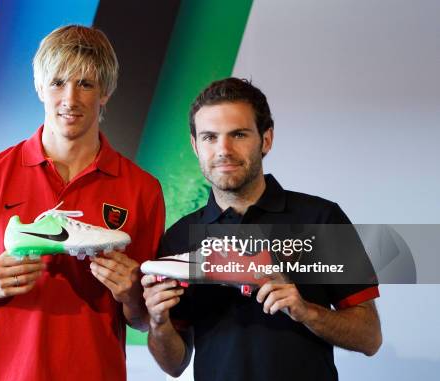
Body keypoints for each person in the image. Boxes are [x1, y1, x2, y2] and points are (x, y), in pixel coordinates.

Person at [0, 25, 165, 381]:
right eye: (58, 82)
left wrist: (132, 294)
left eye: (85, 84)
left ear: (105, 92)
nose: (70, 99)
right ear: (40, 87)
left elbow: (144, 320)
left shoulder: (142, 189)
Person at [142, 77, 381, 381]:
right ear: (195, 145)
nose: (223, 150)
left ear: (266, 139)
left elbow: (370, 337)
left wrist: (305, 311)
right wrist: (159, 323)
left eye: (238, 134)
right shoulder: (180, 236)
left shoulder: (321, 218)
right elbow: (173, 365)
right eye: (209, 137)